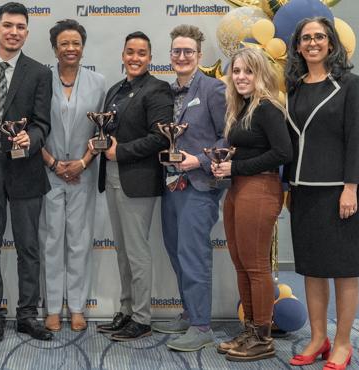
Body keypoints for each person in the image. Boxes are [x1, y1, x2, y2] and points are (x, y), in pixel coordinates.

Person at [283, 17, 359, 370]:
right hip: (303, 193)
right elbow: (291, 142)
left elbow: (358, 141)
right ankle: (318, 338)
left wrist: (351, 187)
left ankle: (343, 343)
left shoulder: (351, 85)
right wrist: (287, 186)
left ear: (331, 43)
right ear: (298, 46)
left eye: (319, 36)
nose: (313, 43)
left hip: (339, 193)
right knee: (313, 270)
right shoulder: (294, 88)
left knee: (343, 270)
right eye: (306, 38)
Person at [0, 2, 53, 342]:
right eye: (8, 25)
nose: (13, 31)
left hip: (25, 166)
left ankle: (28, 314)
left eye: (20, 27)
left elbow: (44, 123)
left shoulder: (39, 73)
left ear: (27, 33)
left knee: (28, 247)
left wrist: (29, 138)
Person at [212, 47, 293, 362]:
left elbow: (282, 152)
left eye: (248, 71)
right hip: (239, 188)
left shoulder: (268, 108)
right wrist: (226, 163)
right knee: (241, 262)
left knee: (256, 265)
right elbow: (250, 148)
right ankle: (250, 329)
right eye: (236, 71)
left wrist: (236, 167)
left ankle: (263, 336)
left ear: (260, 74)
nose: (241, 77)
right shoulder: (241, 108)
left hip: (260, 188)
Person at [92, 31, 173, 342]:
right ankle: (126, 311)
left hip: (137, 180)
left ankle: (142, 318)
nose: (135, 58)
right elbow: (109, 128)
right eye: (130, 52)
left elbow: (161, 137)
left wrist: (120, 151)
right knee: (124, 252)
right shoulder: (116, 89)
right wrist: (101, 143)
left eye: (141, 53)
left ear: (150, 58)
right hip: (112, 176)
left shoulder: (157, 89)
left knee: (137, 253)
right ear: (123, 55)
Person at [152, 24, 228, 352]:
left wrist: (198, 159)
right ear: (170, 56)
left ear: (199, 56)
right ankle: (189, 312)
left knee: (193, 254)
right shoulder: (166, 93)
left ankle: (202, 326)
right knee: (175, 250)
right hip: (171, 185)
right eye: (176, 51)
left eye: (188, 52)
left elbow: (230, 137)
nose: (182, 56)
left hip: (200, 184)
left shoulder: (213, 89)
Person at [39, 19, 105, 332]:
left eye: (75, 43)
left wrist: (83, 161)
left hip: (84, 172)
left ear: (83, 47)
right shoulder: (41, 79)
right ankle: (52, 307)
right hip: (48, 171)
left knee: (79, 242)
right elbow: (32, 128)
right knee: (52, 241)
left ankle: (77, 307)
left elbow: (103, 130)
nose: (70, 49)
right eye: (64, 43)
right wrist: (53, 163)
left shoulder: (99, 82)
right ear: (55, 48)